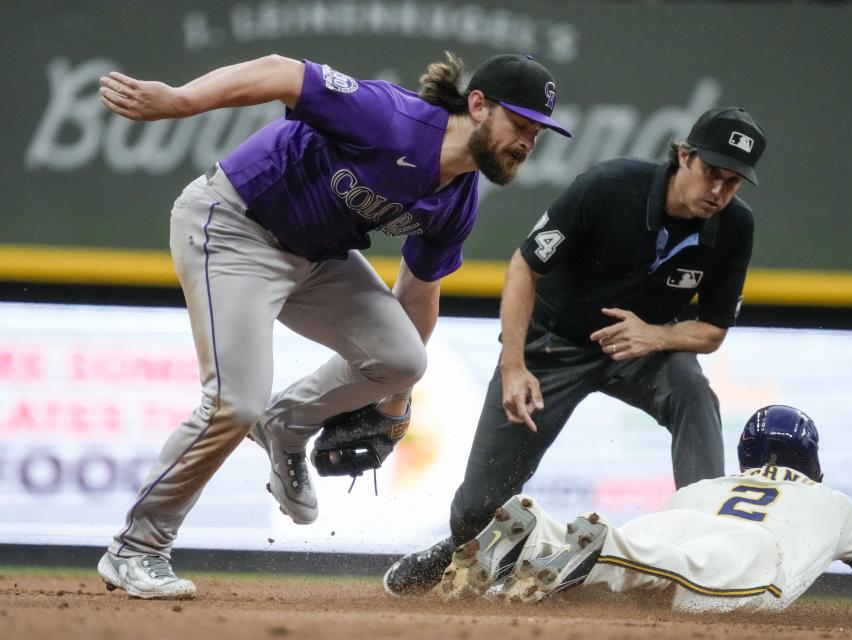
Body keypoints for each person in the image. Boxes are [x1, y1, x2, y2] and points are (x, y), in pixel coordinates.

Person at [94, 51, 571, 600]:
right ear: (478, 105)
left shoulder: (458, 201)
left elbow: (417, 296)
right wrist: (179, 101)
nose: (527, 142)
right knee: (233, 402)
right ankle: (137, 548)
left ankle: (286, 426)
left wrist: (397, 403)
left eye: (538, 133)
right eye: (521, 123)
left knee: (403, 360)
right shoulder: (392, 118)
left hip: (317, 258)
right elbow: (280, 72)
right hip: (232, 226)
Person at [384, 106, 767, 596]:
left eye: (732, 182)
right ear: (683, 156)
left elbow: (712, 330)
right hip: (552, 345)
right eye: (712, 172)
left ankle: (707, 552)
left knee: (693, 394)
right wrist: (514, 364)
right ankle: (462, 544)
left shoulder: (735, 226)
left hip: (642, 348)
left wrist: (658, 336)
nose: (718, 192)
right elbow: (524, 267)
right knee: (480, 505)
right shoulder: (608, 187)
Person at [436, 405, 852, 619]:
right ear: (812, 460)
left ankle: (537, 535)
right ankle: (600, 549)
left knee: (639, 567)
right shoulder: (834, 503)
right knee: (683, 575)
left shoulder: (707, 484)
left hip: (668, 524)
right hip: (752, 548)